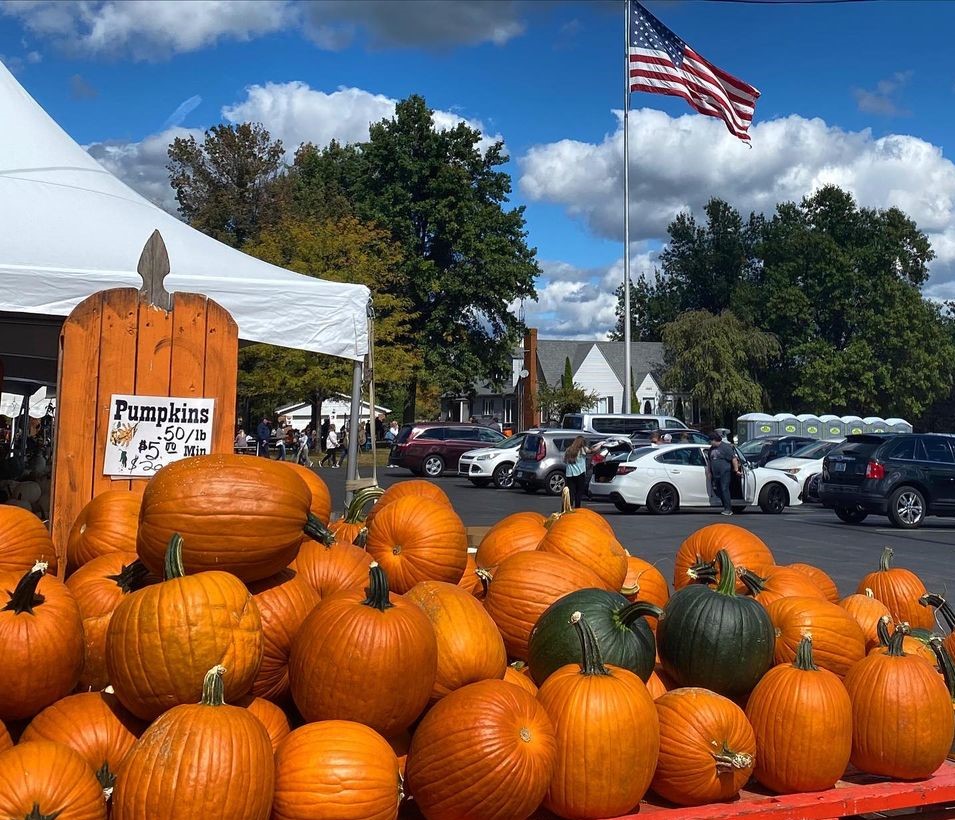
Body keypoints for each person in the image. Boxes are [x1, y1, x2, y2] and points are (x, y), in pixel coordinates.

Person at [707, 431, 741, 516]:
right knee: (718, 490)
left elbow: (733, 459)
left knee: (724, 489)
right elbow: (709, 461)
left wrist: (736, 470)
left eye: (711, 441)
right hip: (716, 474)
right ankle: (725, 506)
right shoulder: (711, 449)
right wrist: (709, 471)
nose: (710, 443)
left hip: (725, 472)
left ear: (715, 440)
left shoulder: (725, 447)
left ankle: (728, 509)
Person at [564, 435, 596, 509]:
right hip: (580, 473)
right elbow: (592, 451)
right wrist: (601, 445)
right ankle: (577, 507)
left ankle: (569, 506)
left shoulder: (568, 450)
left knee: (571, 491)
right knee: (579, 491)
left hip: (569, 474)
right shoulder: (582, 449)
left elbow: (564, 460)